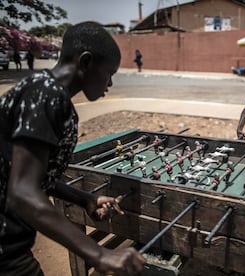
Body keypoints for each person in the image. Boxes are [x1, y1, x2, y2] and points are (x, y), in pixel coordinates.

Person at [0, 22, 146, 275]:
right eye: (109, 73)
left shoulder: (42, 91)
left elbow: (29, 175)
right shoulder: (47, 96)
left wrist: (85, 199)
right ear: (86, 62)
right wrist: (99, 254)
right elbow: (23, 192)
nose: (110, 83)